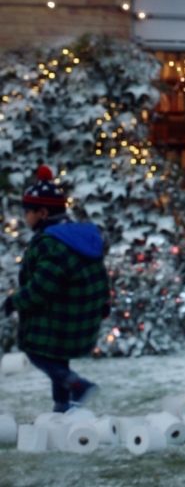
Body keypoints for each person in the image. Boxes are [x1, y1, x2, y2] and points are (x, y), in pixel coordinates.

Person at [1, 164, 110, 412]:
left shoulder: (51, 244)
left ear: (41, 213)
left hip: (59, 315)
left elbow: (42, 286)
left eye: (27, 211)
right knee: (59, 358)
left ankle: (78, 386)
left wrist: (14, 301)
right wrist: (104, 303)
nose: (25, 217)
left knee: (37, 352)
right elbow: (101, 275)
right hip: (79, 315)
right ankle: (63, 406)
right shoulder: (79, 236)